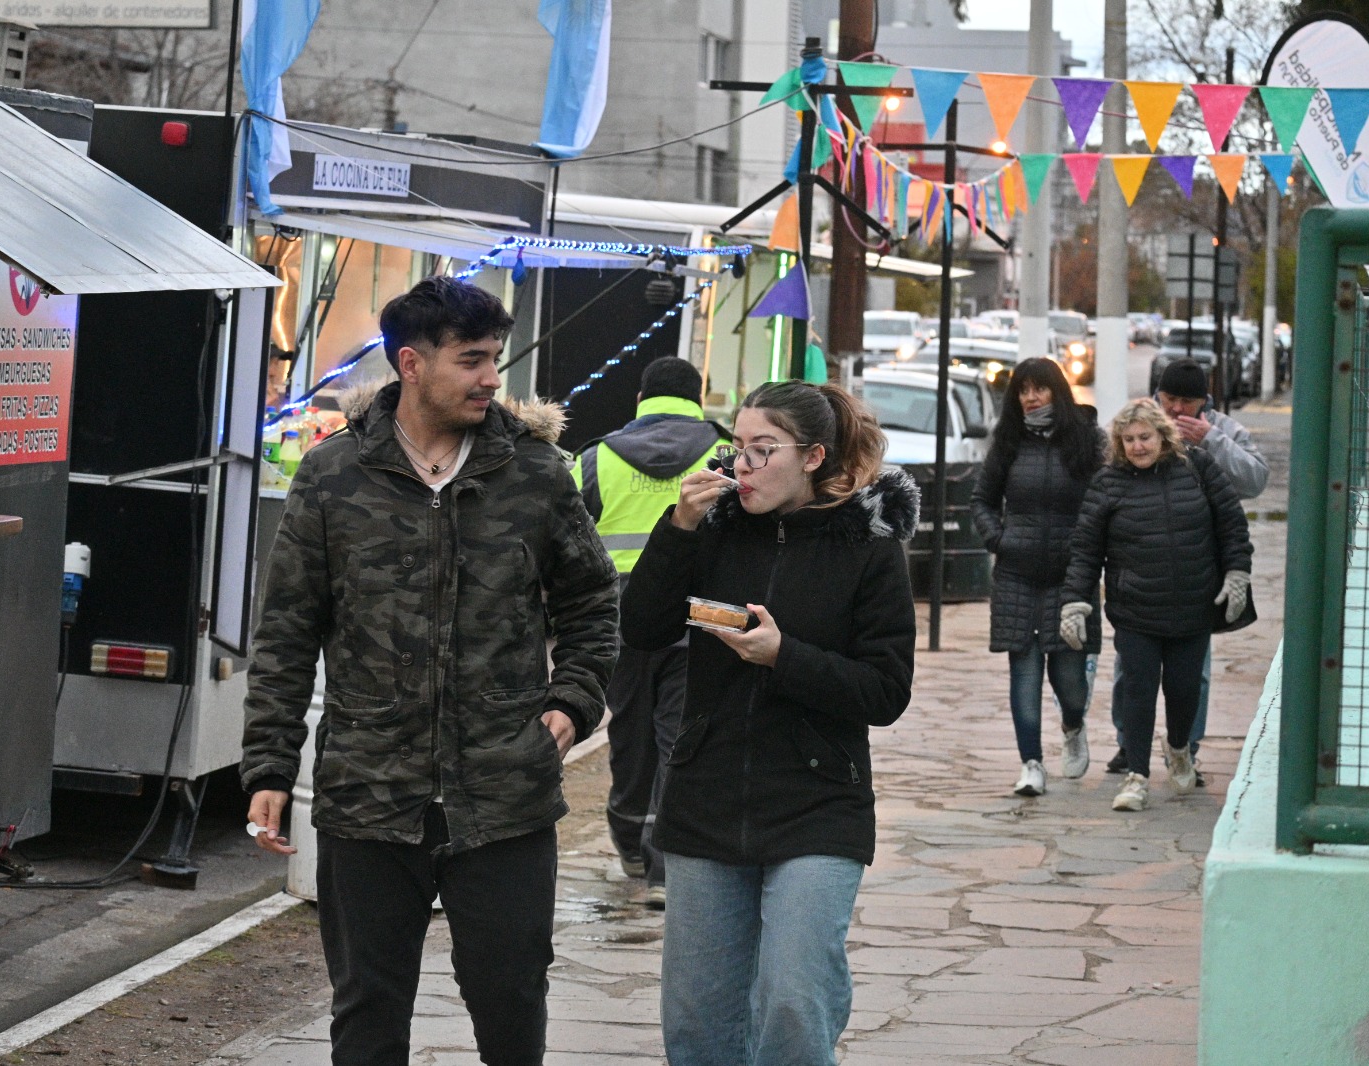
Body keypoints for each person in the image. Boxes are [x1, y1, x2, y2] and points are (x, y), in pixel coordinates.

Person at [241, 276, 620, 1066]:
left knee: (512, 1007)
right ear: (412, 365)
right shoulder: (333, 476)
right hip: (370, 796)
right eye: (472, 360)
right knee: (369, 1015)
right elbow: (286, 631)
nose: (492, 379)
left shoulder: (537, 476)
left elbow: (592, 604)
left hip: (505, 798)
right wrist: (270, 764)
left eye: (496, 360)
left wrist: (576, 697)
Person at [621, 380, 917, 1066]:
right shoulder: (714, 531)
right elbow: (641, 628)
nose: (742, 467)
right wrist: (679, 528)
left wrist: (785, 657)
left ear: (813, 457)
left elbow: (886, 691)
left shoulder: (869, 551)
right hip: (706, 794)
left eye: (763, 450)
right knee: (697, 1023)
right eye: (736, 449)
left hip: (819, 801)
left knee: (791, 999)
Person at [572, 356, 729, 907]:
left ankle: (627, 836)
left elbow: (564, 543)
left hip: (619, 623)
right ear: (697, 395)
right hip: (699, 622)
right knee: (679, 737)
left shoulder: (594, 459)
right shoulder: (727, 457)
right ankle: (666, 860)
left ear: (642, 397)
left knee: (629, 732)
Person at [1061, 399, 1253, 812]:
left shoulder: (1198, 468)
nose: (1137, 447)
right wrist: (1075, 601)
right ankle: (1137, 776)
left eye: (1144, 437)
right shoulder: (1108, 483)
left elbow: (1232, 524)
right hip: (1135, 611)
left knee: (1184, 692)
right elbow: (1085, 549)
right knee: (1138, 691)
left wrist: (1237, 574)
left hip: (1192, 605)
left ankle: (1180, 746)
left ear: (1163, 436)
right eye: (1128, 440)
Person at [1103, 359, 1269, 781]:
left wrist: (1212, 440)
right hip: (1141, 569)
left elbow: (1256, 480)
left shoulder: (1223, 431)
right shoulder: (1139, 424)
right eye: (1169, 399)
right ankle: (1129, 744)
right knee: (1131, 668)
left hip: (1198, 568)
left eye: (1187, 402)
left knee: (1192, 673)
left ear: (1204, 402)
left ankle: (1186, 747)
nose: (1177, 409)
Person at [972, 358, 1105, 798]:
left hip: (1071, 577)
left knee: (1070, 679)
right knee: (1023, 672)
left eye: (1040, 389)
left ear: (1057, 392)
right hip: (1016, 575)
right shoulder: (1007, 443)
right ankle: (1031, 763)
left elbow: (1103, 503)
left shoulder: (1086, 441)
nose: (1031, 397)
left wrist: (1088, 553)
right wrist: (1000, 540)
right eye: (1023, 390)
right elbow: (982, 501)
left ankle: (1073, 725)